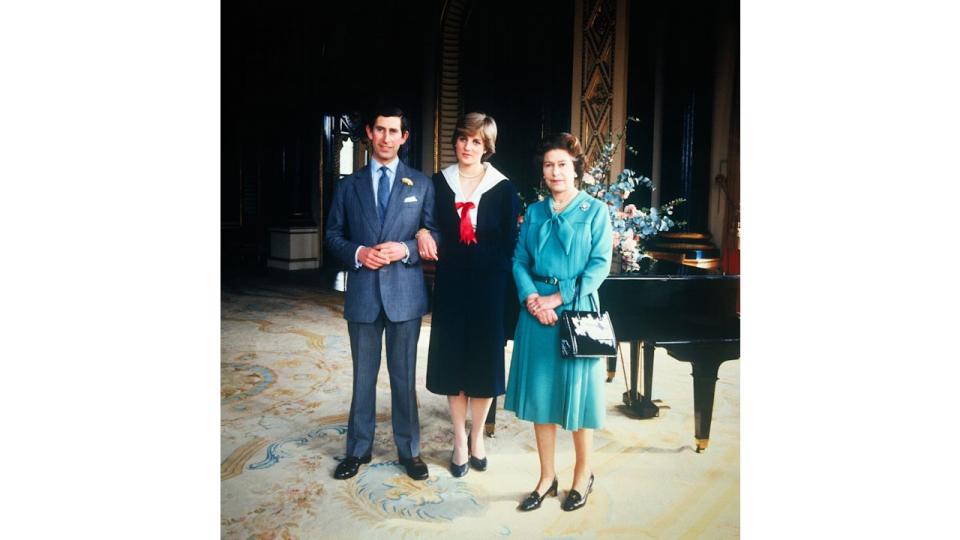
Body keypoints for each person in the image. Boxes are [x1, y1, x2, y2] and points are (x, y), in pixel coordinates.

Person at [325, 105, 437, 481]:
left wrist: (405, 249)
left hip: (405, 295)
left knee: (404, 378)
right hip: (363, 296)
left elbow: (434, 233)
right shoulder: (347, 186)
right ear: (369, 134)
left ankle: (410, 451)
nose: (387, 138)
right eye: (380, 130)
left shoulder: (420, 184)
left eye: (394, 131)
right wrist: (358, 253)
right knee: (363, 377)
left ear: (404, 138)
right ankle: (357, 450)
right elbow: (332, 236)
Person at [503, 133, 613, 512]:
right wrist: (532, 298)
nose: (555, 171)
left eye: (563, 164)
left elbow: (599, 266)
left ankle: (583, 476)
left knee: (580, 399)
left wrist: (557, 297)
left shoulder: (596, 211)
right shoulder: (534, 212)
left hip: (577, 310)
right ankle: (547, 478)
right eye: (549, 165)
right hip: (536, 313)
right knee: (540, 396)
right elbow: (518, 260)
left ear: (576, 168)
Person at [417, 112, 520, 477]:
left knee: (484, 357)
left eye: (476, 141)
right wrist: (421, 234)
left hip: (490, 282)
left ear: (487, 147)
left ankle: (478, 435)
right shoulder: (439, 182)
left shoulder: (503, 188)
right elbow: (426, 223)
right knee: (453, 356)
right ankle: (459, 438)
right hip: (452, 279)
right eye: (463, 139)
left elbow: (511, 244)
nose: (467, 146)